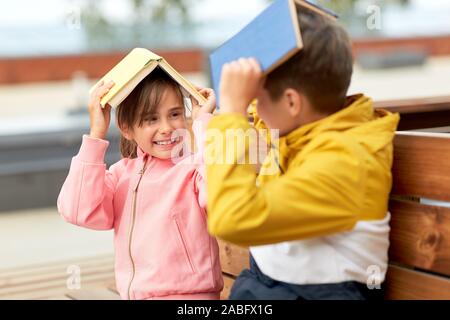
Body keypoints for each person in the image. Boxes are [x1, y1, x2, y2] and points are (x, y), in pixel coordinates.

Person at [205, 9, 400, 299]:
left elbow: (230, 219)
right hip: (270, 283)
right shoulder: (305, 129)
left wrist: (232, 113)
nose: (253, 111)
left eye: (256, 100)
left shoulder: (347, 161)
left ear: (292, 103)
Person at [57, 68, 223, 300]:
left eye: (175, 114)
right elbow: (77, 210)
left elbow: (220, 194)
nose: (166, 127)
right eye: (151, 119)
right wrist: (96, 134)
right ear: (126, 128)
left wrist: (203, 122)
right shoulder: (121, 175)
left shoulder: (194, 169)